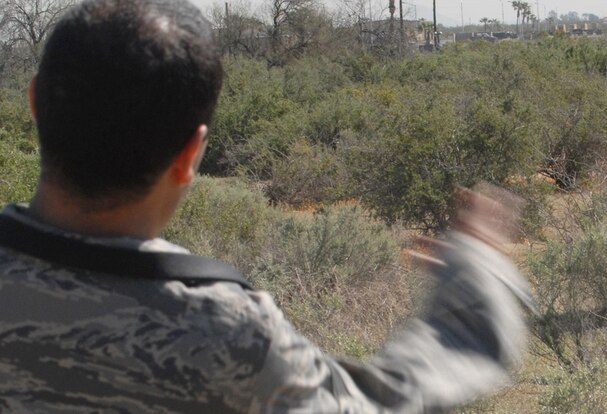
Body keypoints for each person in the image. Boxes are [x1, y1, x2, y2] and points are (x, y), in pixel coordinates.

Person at [0, 0, 531, 412]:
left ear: (34, 105)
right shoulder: (227, 335)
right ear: (191, 155)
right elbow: (392, 399)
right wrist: (473, 273)